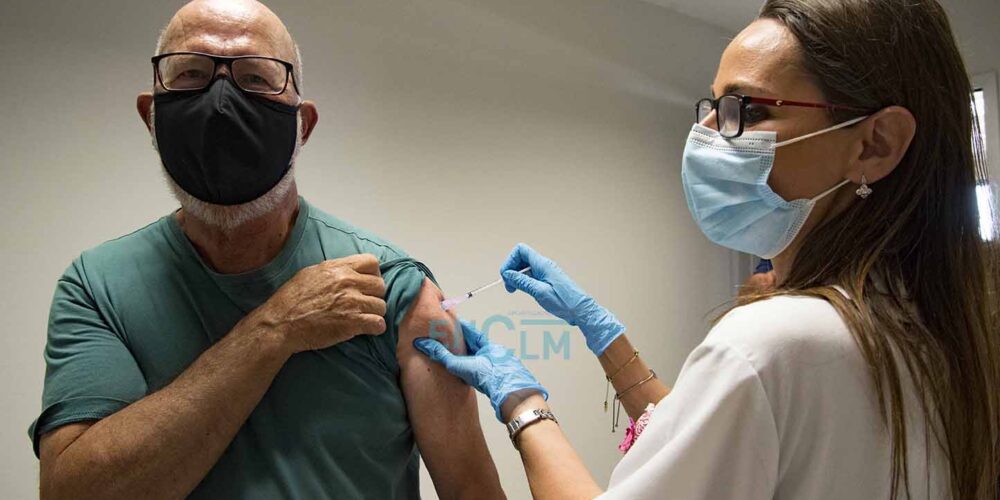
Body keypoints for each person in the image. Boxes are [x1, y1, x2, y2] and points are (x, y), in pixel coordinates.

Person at [414, 0, 1000, 498]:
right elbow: (720, 443)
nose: (708, 138)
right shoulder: (934, 333)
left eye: (747, 110)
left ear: (875, 143)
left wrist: (523, 405)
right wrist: (601, 333)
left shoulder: (773, 345)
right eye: (713, 108)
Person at [29, 1, 504, 499]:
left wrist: (528, 411)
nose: (221, 100)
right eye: (191, 74)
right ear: (151, 116)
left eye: (256, 78)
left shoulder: (393, 289)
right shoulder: (97, 287)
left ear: (303, 125)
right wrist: (274, 328)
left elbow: (473, 492)